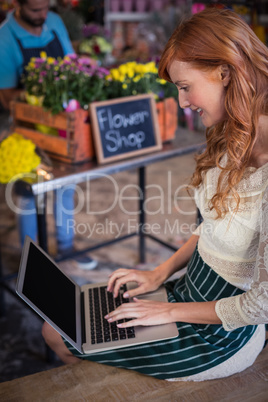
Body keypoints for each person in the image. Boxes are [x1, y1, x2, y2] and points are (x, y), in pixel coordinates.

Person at [42, 8, 268, 380]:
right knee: (67, 318)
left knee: (59, 333)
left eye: (184, 86)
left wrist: (167, 312)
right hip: (185, 293)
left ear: (224, 72)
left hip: (219, 336)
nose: (182, 102)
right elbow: (210, 228)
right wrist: (158, 273)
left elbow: (261, 305)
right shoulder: (233, 133)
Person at [0, 0, 97, 269]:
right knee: (28, 192)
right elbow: (7, 96)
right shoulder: (4, 37)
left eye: (45, 8)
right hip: (28, 127)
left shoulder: (54, 21)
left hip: (62, 124)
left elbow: (70, 65)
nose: (42, 15)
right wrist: (42, 95)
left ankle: (66, 248)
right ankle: (29, 261)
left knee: (66, 184)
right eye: (35, 10)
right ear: (18, 5)